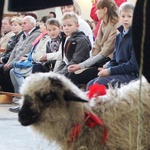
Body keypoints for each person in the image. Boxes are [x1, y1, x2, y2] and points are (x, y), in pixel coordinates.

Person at [86, 2, 139, 90]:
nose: (126, 19)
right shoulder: (119, 36)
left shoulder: (137, 37)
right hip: (120, 72)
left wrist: (110, 71)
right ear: (119, 17)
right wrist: (107, 67)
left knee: (98, 84)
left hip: (132, 74)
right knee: (90, 84)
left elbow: (133, 65)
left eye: (129, 16)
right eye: (123, 16)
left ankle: (105, 103)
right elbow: (115, 59)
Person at [67, 0, 120, 88]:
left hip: (109, 63)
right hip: (99, 61)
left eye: (97, 9)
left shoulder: (117, 26)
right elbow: (96, 48)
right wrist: (82, 66)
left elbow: (105, 52)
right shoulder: (103, 24)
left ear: (105, 10)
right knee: (69, 75)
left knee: (73, 77)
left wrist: (81, 66)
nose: (95, 12)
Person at [0, 15, 40, 93]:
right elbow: (15, 50)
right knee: (3, 68)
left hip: (26, 60)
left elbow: (25, 51)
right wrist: (9, 62)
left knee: (9, 70)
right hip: (16, 60)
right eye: (22, 23)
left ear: (32, 24)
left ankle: (13, 93)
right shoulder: (23, 35)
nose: (22, 25)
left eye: (25, 23)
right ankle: (8, 93)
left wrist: (11, 64)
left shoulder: (35, 34)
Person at [49, 12, 91, 76]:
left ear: (77, 26)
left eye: (69, 25)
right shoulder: (67, 38)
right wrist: (56, 73)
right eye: (64, 26)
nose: (66, 28)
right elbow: (64, 59)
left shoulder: (81, 40)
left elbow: (76, 60)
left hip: (79, 69)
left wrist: (60, 74)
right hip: (68, 66)